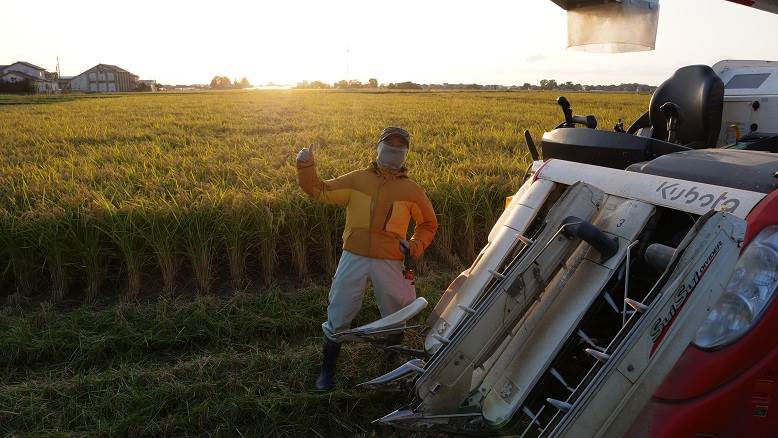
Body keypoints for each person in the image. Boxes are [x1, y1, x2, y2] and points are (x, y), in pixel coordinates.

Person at [296, 127, 438, 392]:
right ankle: (327, 372)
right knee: (339, 310)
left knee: (397, 312)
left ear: (406, 152)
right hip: (354, 256)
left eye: (400, 146)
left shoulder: (411, 190)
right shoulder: (358, 180)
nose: (394, 150)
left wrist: (415, 246)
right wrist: (306, 166)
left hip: (392, 260)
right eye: (389, 145)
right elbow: (319, 190)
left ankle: (390, 362)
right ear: (378, 146)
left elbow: (428, 223)